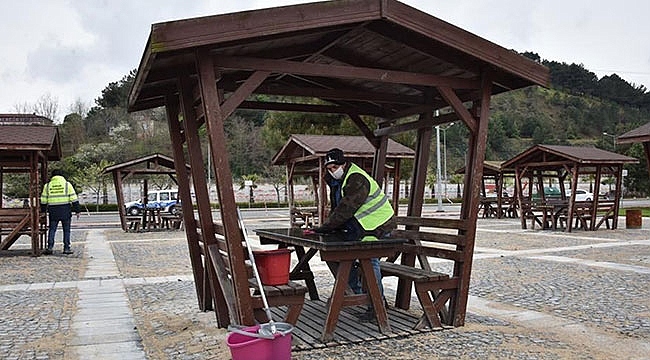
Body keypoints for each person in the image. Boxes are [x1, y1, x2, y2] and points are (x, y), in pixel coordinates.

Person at [314, 148, 396, 319]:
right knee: (337, 257)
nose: (332, 171)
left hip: (379, 226)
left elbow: (346, 209)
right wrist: (329, 225)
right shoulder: (338, 180)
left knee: (369, 261)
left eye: (334, 167)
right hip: (362, 227)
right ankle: (359, 295)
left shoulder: (356, 178)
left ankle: (376, 306)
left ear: (343, 164)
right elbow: (337, 207)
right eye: (328, 168)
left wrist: (325, 227)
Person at [40, 169, 80, 255]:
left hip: (53, 211)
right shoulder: (67, 184)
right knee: (66, 230)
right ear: (62, 175)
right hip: (65, 210)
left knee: (52, 229)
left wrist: (43, 211)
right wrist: (77, 211)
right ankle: (66, 248)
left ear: (52, 176)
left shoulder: (47, 186)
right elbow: (74, 198)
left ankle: (50, 247)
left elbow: (43, 200)